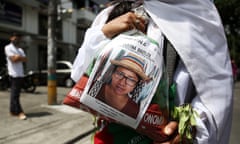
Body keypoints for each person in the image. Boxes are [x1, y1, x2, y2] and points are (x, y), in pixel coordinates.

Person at [71, 0, 233, 144]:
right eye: (120, 74)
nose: (123, 81)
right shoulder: (109, 14)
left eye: (131, 79)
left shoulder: (197, 12)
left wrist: (188, 132)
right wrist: (104, 33)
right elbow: (79, 76)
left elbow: (215, 93)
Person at [93, 53, 150, 119]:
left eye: (131, 79)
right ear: (113, 73)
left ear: (135, 85)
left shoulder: (134, 111)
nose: (122, 82)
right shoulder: (94, 87)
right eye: (120, 74)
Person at [4, 33, 27, 120]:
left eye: (18, 38)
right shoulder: (8, 47)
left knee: (15, 94)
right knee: (15, 95)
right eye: (15, 38)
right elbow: (13, 60)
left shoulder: (20, 50)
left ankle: (12, 111)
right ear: (11, 38)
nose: (16, 39)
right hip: (14, 74)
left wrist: (18, 57)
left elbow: (25, 59)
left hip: (20, 74)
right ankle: (19, 112)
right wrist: (18, 58)